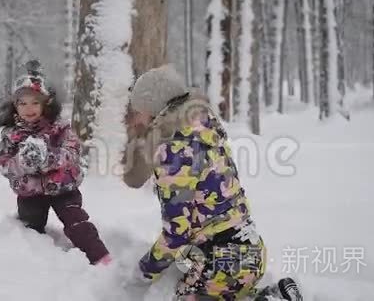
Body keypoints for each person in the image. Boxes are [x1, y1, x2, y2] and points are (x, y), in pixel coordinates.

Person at [121, 65, 302, 300]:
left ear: (154, 106)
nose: (136, 117)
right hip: (248, 249)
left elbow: (176, 234)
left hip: (223, 259)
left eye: (139, 109)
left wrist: (141, 274)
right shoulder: (201, 130)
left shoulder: (173, 150)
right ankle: (274, 295)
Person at [0, 60, 111, 265]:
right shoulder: (11, 135)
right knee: (29, 229)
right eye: (22, 103)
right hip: (30, 193)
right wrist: (22, 162)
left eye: (35, 102)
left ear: (46, 104)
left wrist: (48, 158)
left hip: (63, 188)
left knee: (77, 223)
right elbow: (3, 164)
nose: (29, 108)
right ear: (14, 106)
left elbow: (72, 152)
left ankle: (101, 258)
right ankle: (35, 266)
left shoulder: (59, 128)